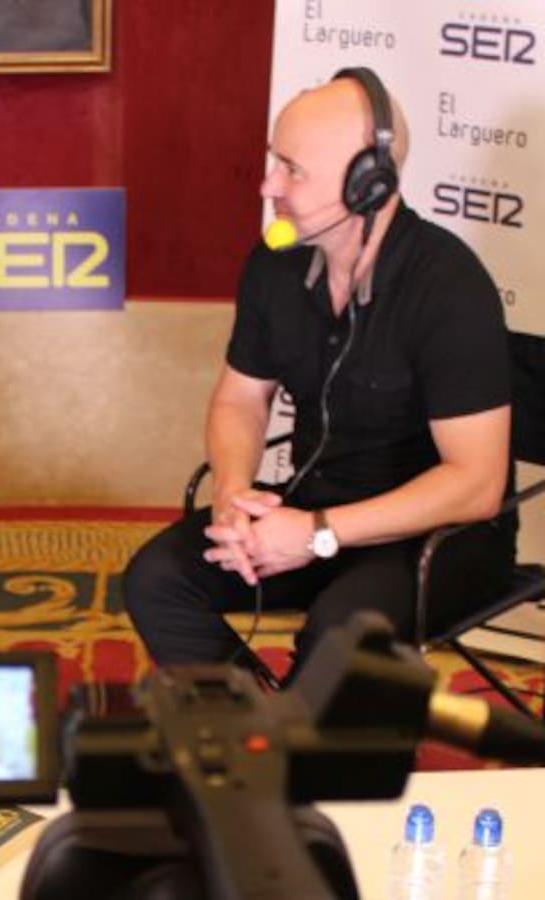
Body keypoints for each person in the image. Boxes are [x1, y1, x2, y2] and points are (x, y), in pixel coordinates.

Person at [121, 67, 515, 680]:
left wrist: (316, 533)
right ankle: (248, 723)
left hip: (438, 541)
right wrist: (232, 495)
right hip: (311, 511)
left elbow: (476, 485)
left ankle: (307, 733)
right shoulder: (275, 263)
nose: (267, 185)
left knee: (338, 634)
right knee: (157, 580)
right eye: (272, 161)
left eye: (292, 170)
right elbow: (240, 400)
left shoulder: (449, 287)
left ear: (368, 183)